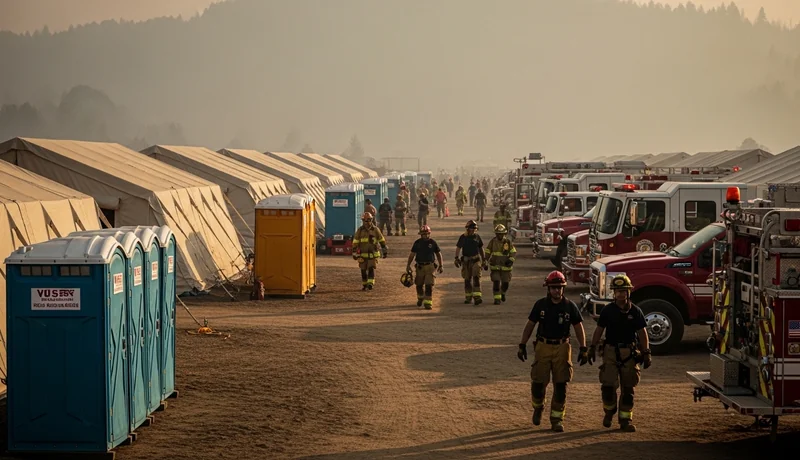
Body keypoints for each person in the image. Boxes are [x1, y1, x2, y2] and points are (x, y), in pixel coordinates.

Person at [517, 270, 589, 432]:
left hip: (563, 347)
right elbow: (530, 325)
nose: (557, 291)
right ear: (548, 288)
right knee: (538, 383)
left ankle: (556, 419)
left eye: (560, 287)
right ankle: (538, 407)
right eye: (554, 287)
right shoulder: (540, 305)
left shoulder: (570, 307)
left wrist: (584, 348)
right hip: (543, 346)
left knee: (561, 385)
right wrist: (522, 344)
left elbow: (579, 328)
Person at [588, 274, 651, 432]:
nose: (621, 294)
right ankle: (609, 412)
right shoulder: (608, 311)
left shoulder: (636, 312)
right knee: (608, 385)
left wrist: (646, 352)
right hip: (610, 350)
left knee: (628, 388)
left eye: (623, 290)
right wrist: (591, 347)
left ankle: (625, 420)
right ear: (613, 293)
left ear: (629, 292)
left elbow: (642, 332)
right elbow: (599, 329)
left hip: (629, 352)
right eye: (617, 291)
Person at [405, 225, 444, 310]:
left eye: (427, 234)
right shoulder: (417, 243)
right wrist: (408, 265)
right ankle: (420, 297)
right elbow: (412, 255)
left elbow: (438, 254)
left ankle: (428, 302)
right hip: (420, 267)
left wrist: (441, 265)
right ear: (421, 234)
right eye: (424, 234)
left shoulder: (433, 243)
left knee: (428, 285)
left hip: (430, 267)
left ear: (429, 234)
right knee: (419, 284)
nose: (425, 236)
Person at [352, 212, 388, 290]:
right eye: (365, 221)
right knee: (363, 270)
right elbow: (355, 241)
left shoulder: (375, 230)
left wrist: (384, 250)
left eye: (368, 220)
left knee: (371, 268)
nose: (366, 222)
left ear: (371, 220)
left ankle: (370, 283)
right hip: (362, 255)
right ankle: (364, 284)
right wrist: (354, 252)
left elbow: (381, 240)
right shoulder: (360, 230)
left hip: (372, 254)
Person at [455, 220, 487, 305]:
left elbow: (481, 248)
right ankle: (468, 297)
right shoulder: (463, 237)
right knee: (467, 279)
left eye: (474, 229)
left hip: (476, 260)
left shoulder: (477, 237)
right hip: (466, 261)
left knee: (476, 278)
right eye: (471, 228)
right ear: (467, 229)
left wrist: (484, 259)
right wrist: (456, 258)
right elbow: (458, 248)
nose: (473, 230)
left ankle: (477, 297)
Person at [485, 224, 516, 304]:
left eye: (501, 234)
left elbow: (513, 252)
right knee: (496, 282)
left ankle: (502, 293)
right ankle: (497, 299)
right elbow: (488, 251)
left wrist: (511, 260)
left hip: (506, 267)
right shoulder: (492, 241)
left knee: (505, 283)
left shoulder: (507, 242)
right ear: (496, 234)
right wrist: (485, 261)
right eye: (498, 233)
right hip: (495, 266)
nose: (499, 235)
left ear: (504, 234)